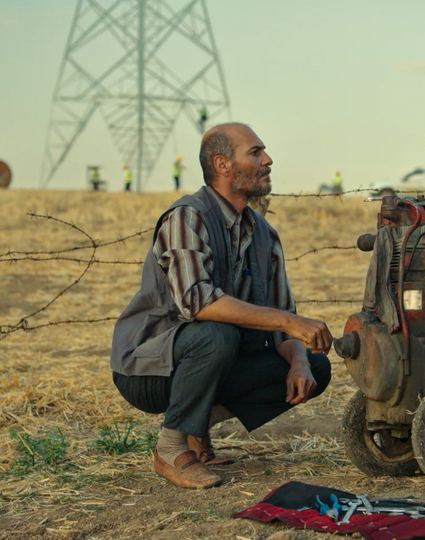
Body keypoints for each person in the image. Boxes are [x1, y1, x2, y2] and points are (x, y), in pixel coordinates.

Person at [109, 122, 333, 489]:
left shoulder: (263, 233)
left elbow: (280, 324)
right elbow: (197, 301)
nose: (268, 160)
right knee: (216, 333)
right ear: (223, 165)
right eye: (256, 152)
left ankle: (197, 428)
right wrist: (290, 321)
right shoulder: (187, 217)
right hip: (149, 368)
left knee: (316, 367)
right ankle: (171, 448)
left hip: (212, 359)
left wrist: (297, 358)